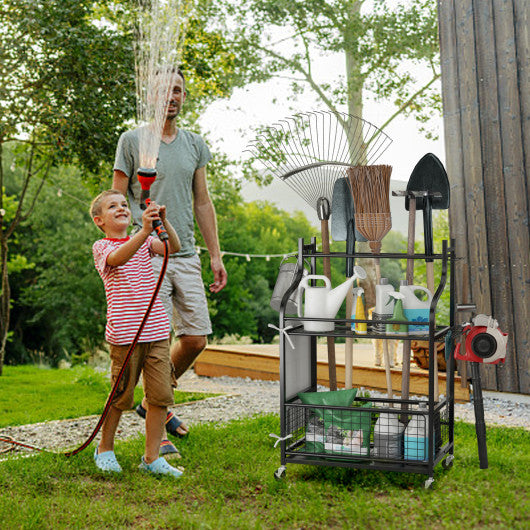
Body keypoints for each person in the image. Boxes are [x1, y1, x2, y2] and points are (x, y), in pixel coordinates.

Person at [112, 67, 227, 442]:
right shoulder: (132, 140)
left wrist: (215, 255)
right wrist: (127, 247)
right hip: (147, 255)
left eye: (178, 91)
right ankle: (157, 436)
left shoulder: (194, 144)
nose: (172, 97)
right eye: (165, 91)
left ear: (183, 97)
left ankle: (154, 400)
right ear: (152, 97)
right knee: (155, 343)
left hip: (186, 253)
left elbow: (203, 201)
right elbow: (117, 198)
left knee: (196, 338)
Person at [90, 189, 183, 477]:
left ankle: (151, 457)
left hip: (156, 332)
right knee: (121, 396)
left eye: (123, 204)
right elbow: (118, 258)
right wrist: (143, 231)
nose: (121, 208)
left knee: (159, 396)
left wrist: (163, 223)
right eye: (112, 206)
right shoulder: (102, 247)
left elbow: (173, 248)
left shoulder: (144, 241)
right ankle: (104, 448)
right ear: (99, 220)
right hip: (125, 337)